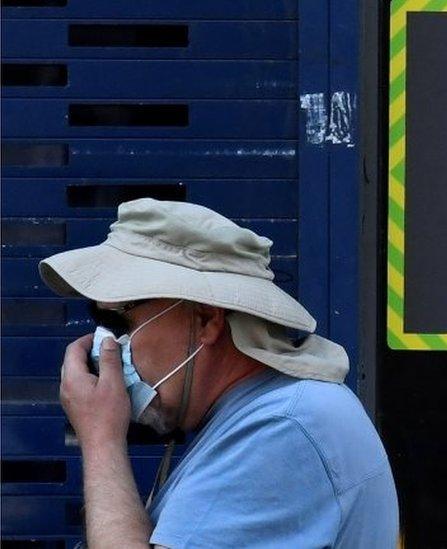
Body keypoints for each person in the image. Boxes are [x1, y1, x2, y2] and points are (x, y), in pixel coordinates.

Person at [41, 198, 398, 548]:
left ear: (206, 320)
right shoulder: (255, 416)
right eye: (98, 318)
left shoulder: (282, 429)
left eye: (120, 319)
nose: (108, 345)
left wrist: (101, 439)